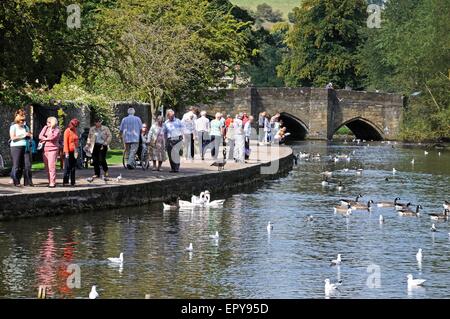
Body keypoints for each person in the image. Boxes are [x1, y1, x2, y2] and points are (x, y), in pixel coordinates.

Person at [9, 114, 33, 186]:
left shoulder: (26, 127)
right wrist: (23, 135)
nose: (23, 121)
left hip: (26, 147)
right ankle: (16, 181)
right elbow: (13, 138)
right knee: (17, 165)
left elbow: (29, 136)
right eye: (22, 120)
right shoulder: (13, 127)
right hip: (16, 147)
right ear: (17, 120)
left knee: (27, 165)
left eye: (24, 120)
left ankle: (28, 182)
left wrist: (30, 136)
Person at [38, 117, 60, 187]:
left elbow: (53, 138)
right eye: (47, 122)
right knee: (47, 167)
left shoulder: (56, 129)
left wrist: (45, 139)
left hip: (53, 149)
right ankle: (49, 181)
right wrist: (46, 138)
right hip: (45, 149)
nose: (47, 123)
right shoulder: (46, 128)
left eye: (49, 122)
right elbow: (40, 136)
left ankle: (52, 182)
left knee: (51, 166)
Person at [63, 118, 80, 186]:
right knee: (67, 167)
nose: (75, 127)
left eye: (76, 126)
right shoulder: (67, 131)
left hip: (74, 151)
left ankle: (73, 181)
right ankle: (65, 181)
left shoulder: (75, 130)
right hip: (68, 151)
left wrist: (77, 150)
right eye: (74, 125)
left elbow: (76, 141)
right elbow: (65, 143)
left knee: (73, 167)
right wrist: (66, 153)